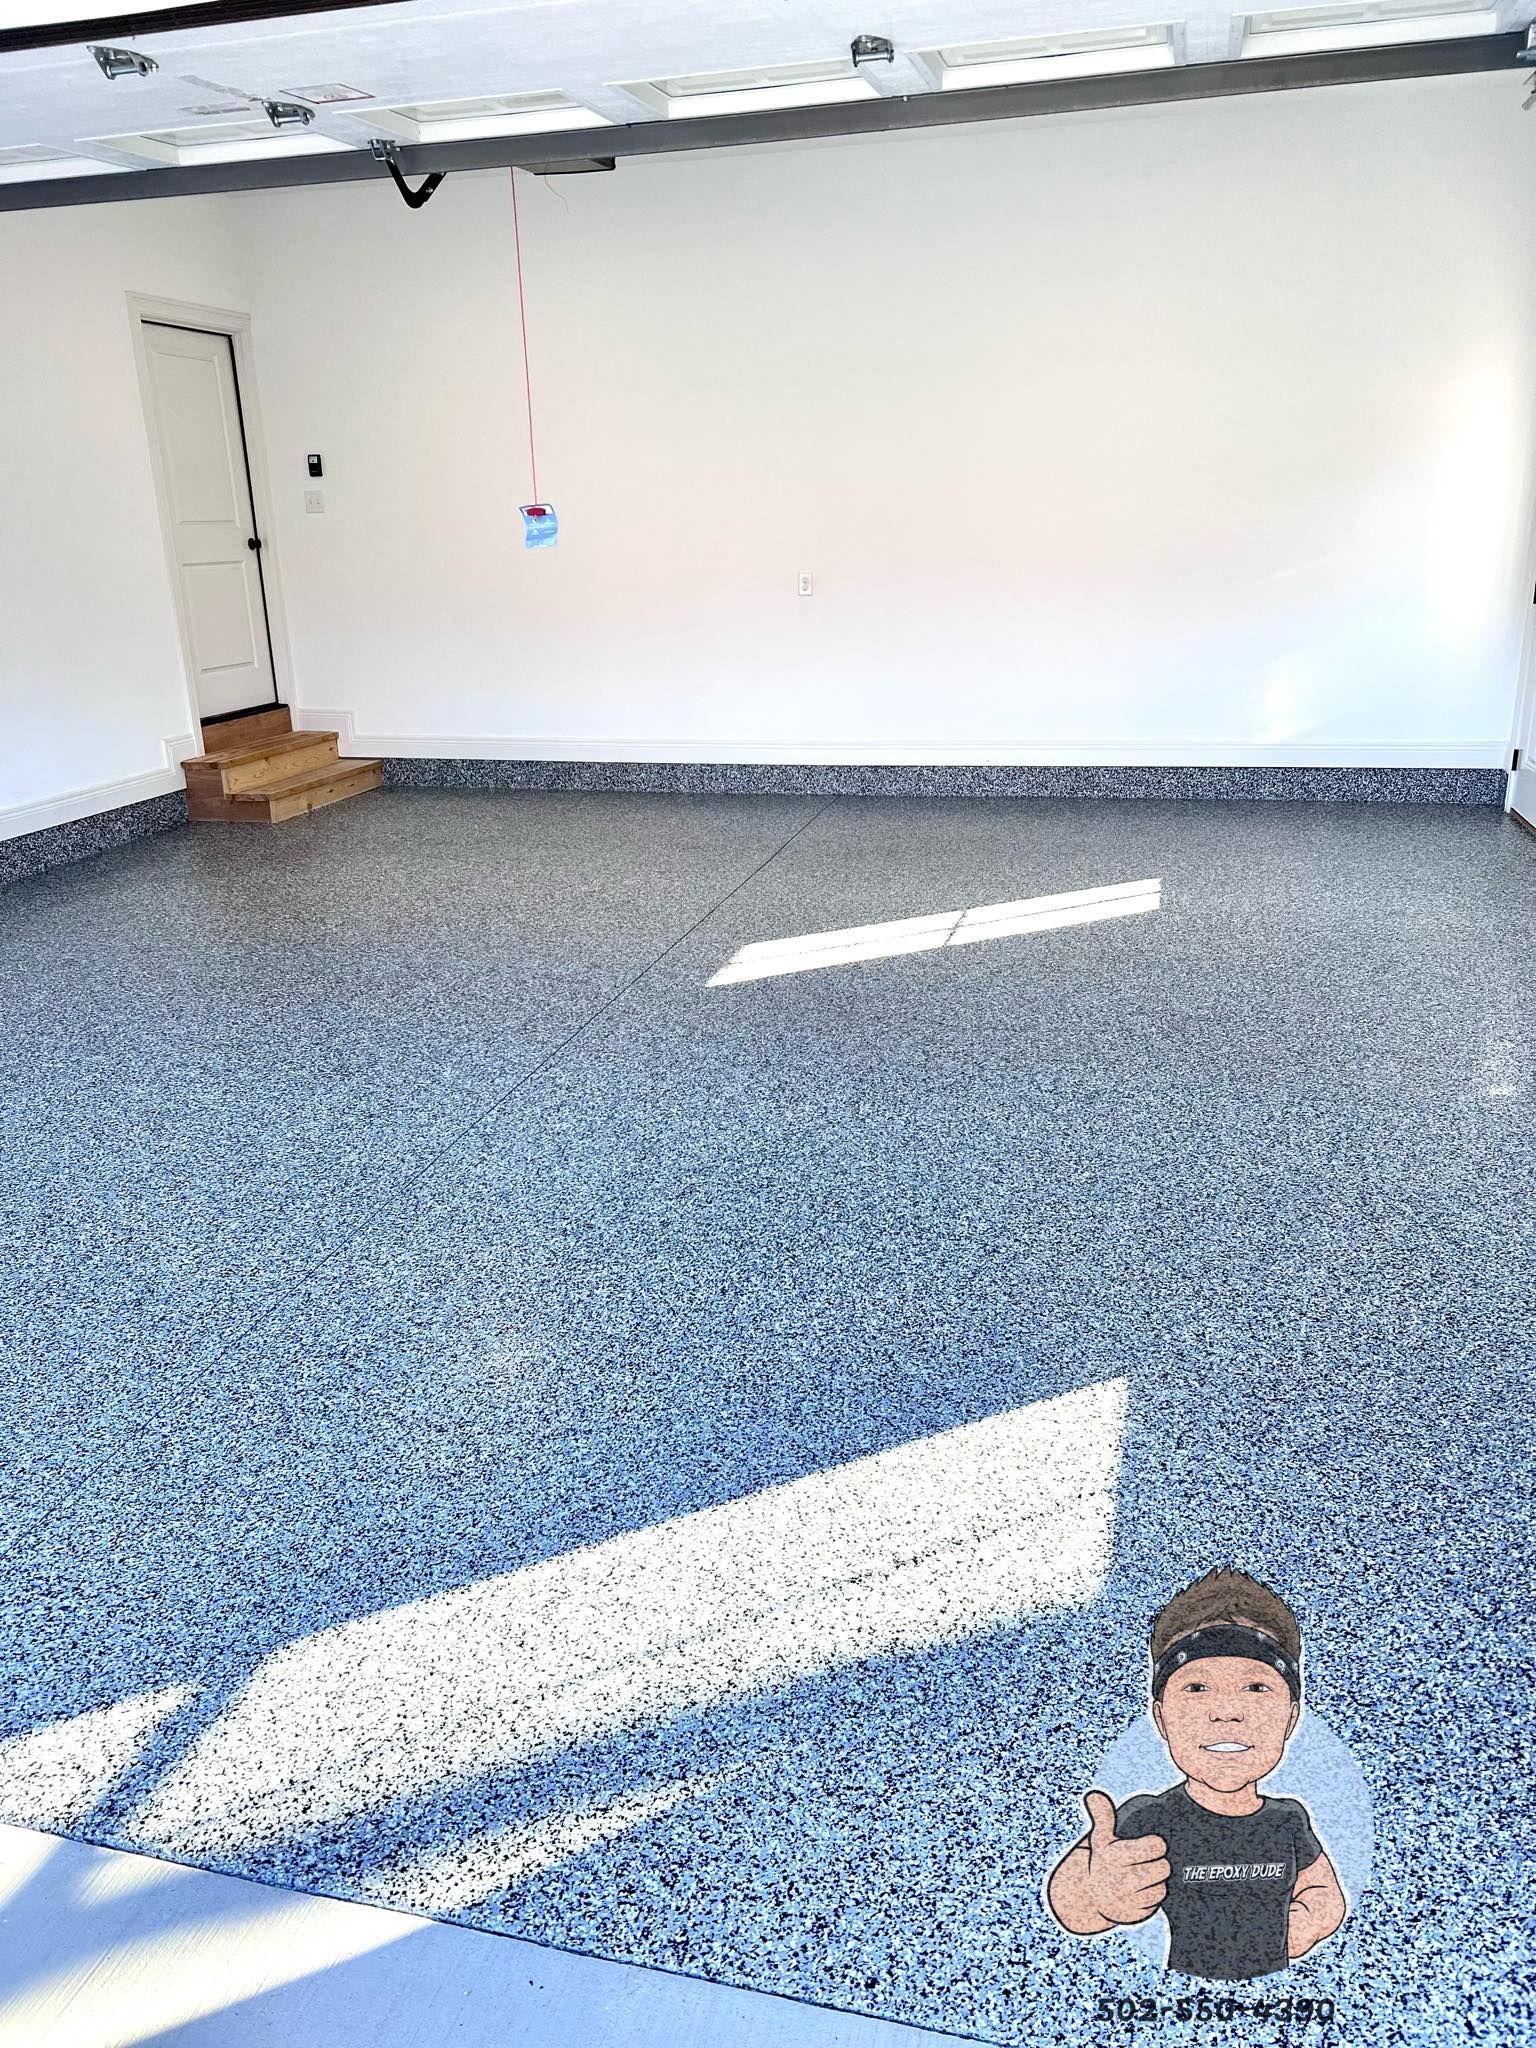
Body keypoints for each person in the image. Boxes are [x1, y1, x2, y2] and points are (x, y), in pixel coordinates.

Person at [1047, 1568, 1346, 1981]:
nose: (1226, 1712)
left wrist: (1311, 1920)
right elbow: (1076, 1900)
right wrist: (1098, 1895)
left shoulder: (1288, 1818)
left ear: (1291, 1717)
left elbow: (1321, 1888)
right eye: (1197, 1688)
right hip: (1181, 1995)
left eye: (1256, 1688)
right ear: (1162, 1718)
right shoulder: (1152, 1816)